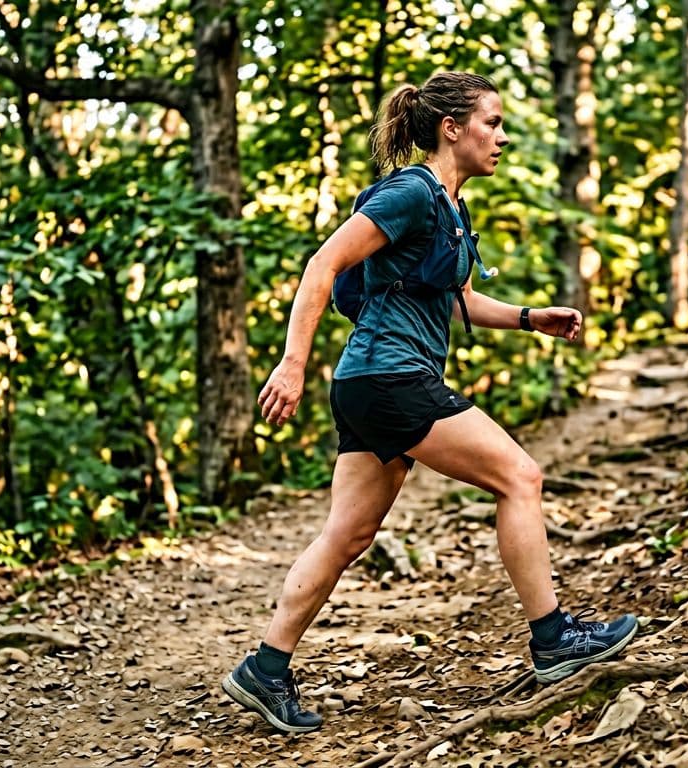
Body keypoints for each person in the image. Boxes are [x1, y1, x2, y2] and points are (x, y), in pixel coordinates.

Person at [222, 71, 637, 734]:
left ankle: (265, 669)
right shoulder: (411, 192)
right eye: (492, 123)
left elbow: (459, 298)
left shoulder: (450, 208)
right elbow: (323, 265)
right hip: (391, 377)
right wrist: (291, 363)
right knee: (520, 476)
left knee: (348, 534)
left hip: (370, 383)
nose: (502, 137)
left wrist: (530, 318)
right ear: (452, 128)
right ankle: (553, 638)